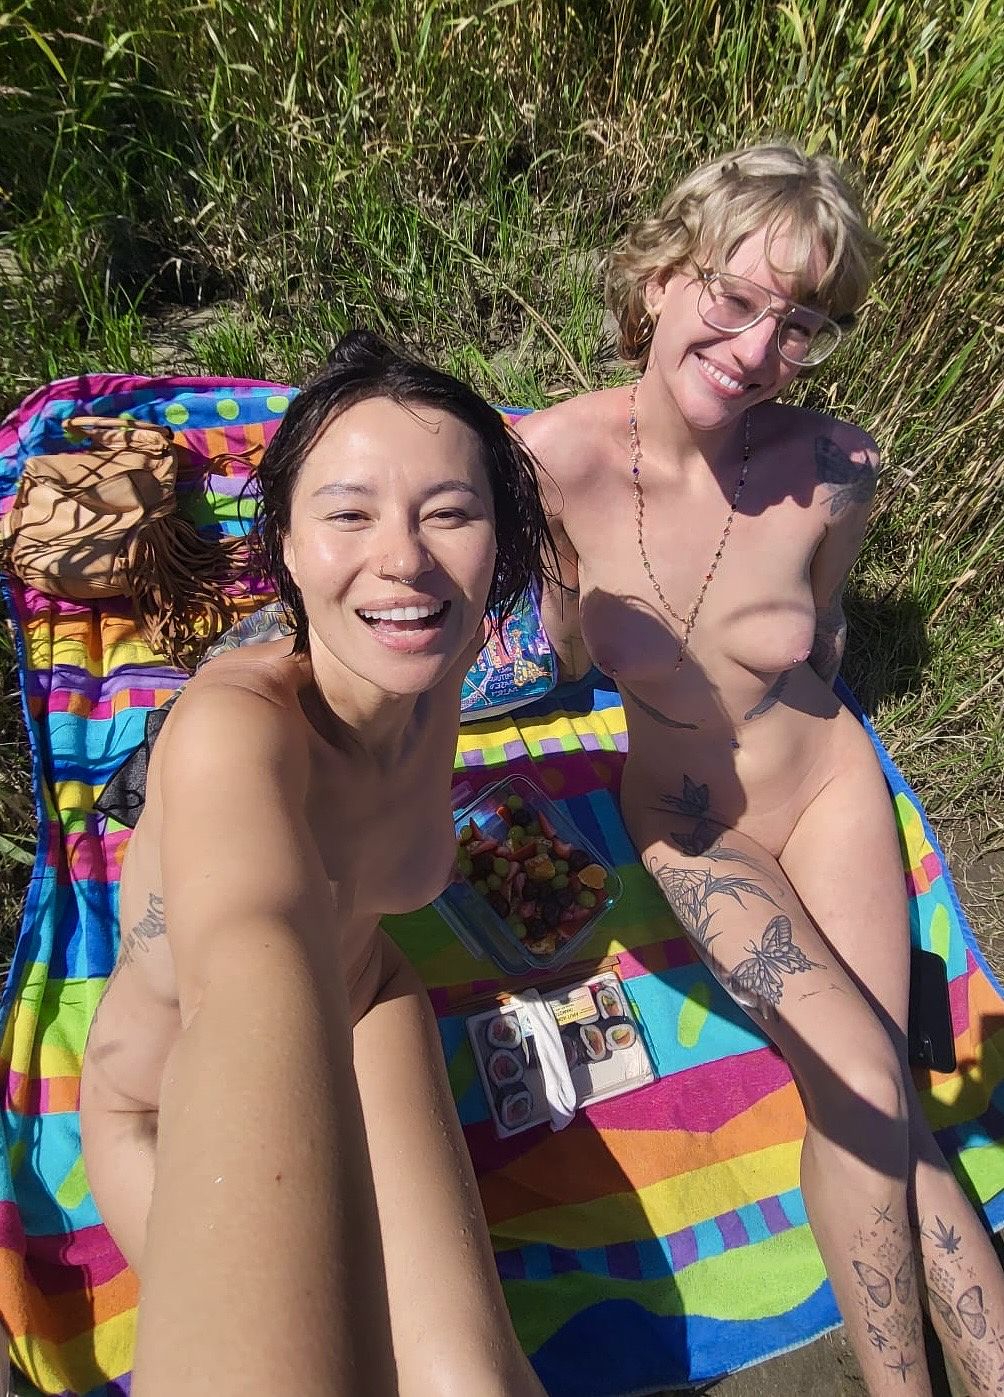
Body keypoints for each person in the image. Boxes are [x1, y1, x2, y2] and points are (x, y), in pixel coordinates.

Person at [517, 144, 1004, 1395]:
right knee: (860, 1078)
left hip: (827, 785)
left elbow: (822, 632)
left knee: (882, 1091)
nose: (753, 349)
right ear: (661, 275)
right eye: (731, 297)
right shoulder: (550, 461)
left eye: (799, 326)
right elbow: (552, 641)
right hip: (692, 822)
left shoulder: (835, 467)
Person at [81, 331, 551, 1396]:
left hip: (367, 994)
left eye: (449, 512)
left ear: (497, 545)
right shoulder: (235, 737)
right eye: (349, 514)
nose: (404, 559)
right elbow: (248, 973)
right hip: (168, 1101)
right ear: (287, 548)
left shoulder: (438, 657)